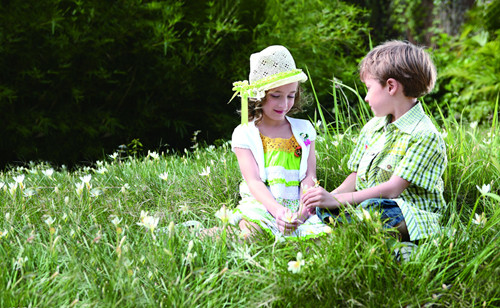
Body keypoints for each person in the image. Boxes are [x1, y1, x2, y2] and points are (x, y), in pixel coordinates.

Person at [302, 40, 447, 243]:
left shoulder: (424, 135)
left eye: (369, 88)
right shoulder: (373, 127)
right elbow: (355, 176)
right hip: (365, 205)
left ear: (390, 86)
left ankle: (348, 237)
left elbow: (391, 190)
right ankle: (343, 230)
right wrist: (326, 198)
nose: (367, 97)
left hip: (406, 212)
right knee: (334, 208)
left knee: (374, 210)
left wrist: (336, 200)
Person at [229, 45, 331, 240]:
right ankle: (218, 233)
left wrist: (302, 212)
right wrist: (277, 211)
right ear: (259, 95)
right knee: (253, 235)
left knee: (321, 239)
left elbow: (309, 176)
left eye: (291, 96)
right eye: (276, 96)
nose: (284, 104)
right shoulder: (245, 133)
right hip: (262, 205)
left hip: (297, 206)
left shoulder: (304, 130)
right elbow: (254, 182)